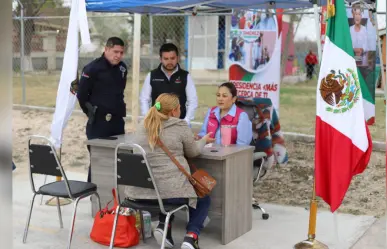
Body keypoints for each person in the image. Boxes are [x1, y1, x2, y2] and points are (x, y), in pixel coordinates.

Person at [126, 93, 214, 249]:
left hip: (138, 195)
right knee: (201, 197)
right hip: (167, 194)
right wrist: (203, 140)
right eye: (180, 107)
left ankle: (164, 227)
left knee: (167, 187)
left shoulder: (142, 125)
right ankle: (191, 237)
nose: (180, 110)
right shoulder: (179, 125)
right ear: (174, 111)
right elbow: (193, 152)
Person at [77, 37, 128, 182]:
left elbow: (120, 91)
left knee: (119, 158)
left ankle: (116, 196)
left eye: (121, 52)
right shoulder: (92, 69)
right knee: (98, 159)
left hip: (117, 122)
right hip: (98, 123)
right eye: (115, 51)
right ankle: (94, 194)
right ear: (106, 49)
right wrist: (91, 112)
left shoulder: (122, 68)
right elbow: (81, 95)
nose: (118, 55)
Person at [139, 43, 198, 126]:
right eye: (166, 59)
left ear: (177, 58)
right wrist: (148, 119)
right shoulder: (152, 75)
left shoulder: (185, 76)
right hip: (157, 123)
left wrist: (186, 120)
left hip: (179, 123)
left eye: (172, 58)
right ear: (161, 59)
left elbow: (193, 100)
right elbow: (144, 99)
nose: (169, 61)